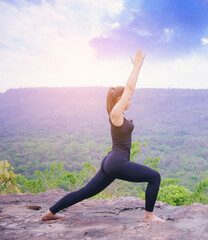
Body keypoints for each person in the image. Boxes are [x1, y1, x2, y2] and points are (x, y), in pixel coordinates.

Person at [41, 50, 165, 223]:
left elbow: (129, 92)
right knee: (154, 177)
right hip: (117, 162)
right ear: (120, 100)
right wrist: (137, 67)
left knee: (85, 192)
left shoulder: (119, 115)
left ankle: (50, 212)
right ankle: (149, 216)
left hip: (111, 161)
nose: (130, 100)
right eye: (127, 99)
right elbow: (129, 88)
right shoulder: (116, 113)